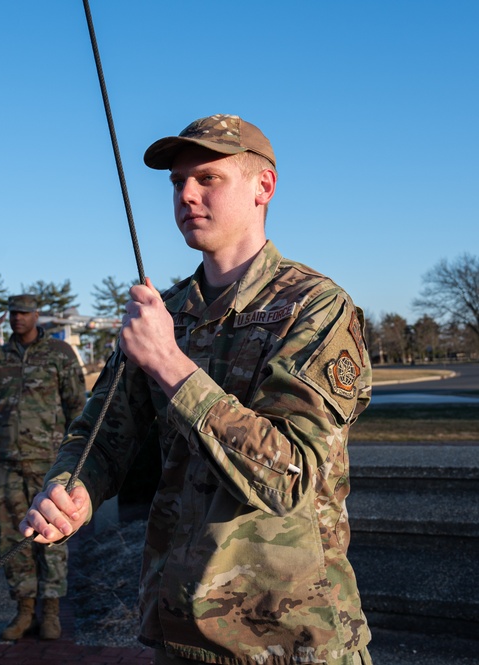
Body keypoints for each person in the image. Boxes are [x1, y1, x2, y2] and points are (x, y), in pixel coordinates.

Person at [20, 114, 373, 664]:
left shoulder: (315, 307)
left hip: (289, 641)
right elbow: (103, 436)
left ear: (263, 187)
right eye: (177, 182)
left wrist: (168, 362)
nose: (186, 194)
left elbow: (291, 475)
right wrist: (73, 490)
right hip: (180, 633)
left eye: (208, 178)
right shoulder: (170, 311)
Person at [0, 294, 85, 641]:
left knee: (53, 536)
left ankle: (52, 612)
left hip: (51, 465)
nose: (17, 319)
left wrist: (78, 461)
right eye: (13, 314)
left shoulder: (60, 355)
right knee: (13, 539)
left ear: (36, 315)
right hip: (9, 464)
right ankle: (24, 611)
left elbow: (78, 407)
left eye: (24, 313)